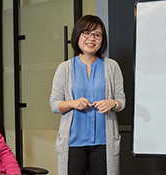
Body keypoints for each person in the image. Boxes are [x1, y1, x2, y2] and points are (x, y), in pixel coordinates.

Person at [50, 15, 126, 175]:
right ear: (77, 36)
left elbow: (122, 100)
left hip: (104, 143)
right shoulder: (65, 68)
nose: (92, 38)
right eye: (87, 33)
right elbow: (54, 104)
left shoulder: (112, 67)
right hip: (73, 143)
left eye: (97, 35)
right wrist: (72, 103)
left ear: (102, 39)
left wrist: (113, 103)